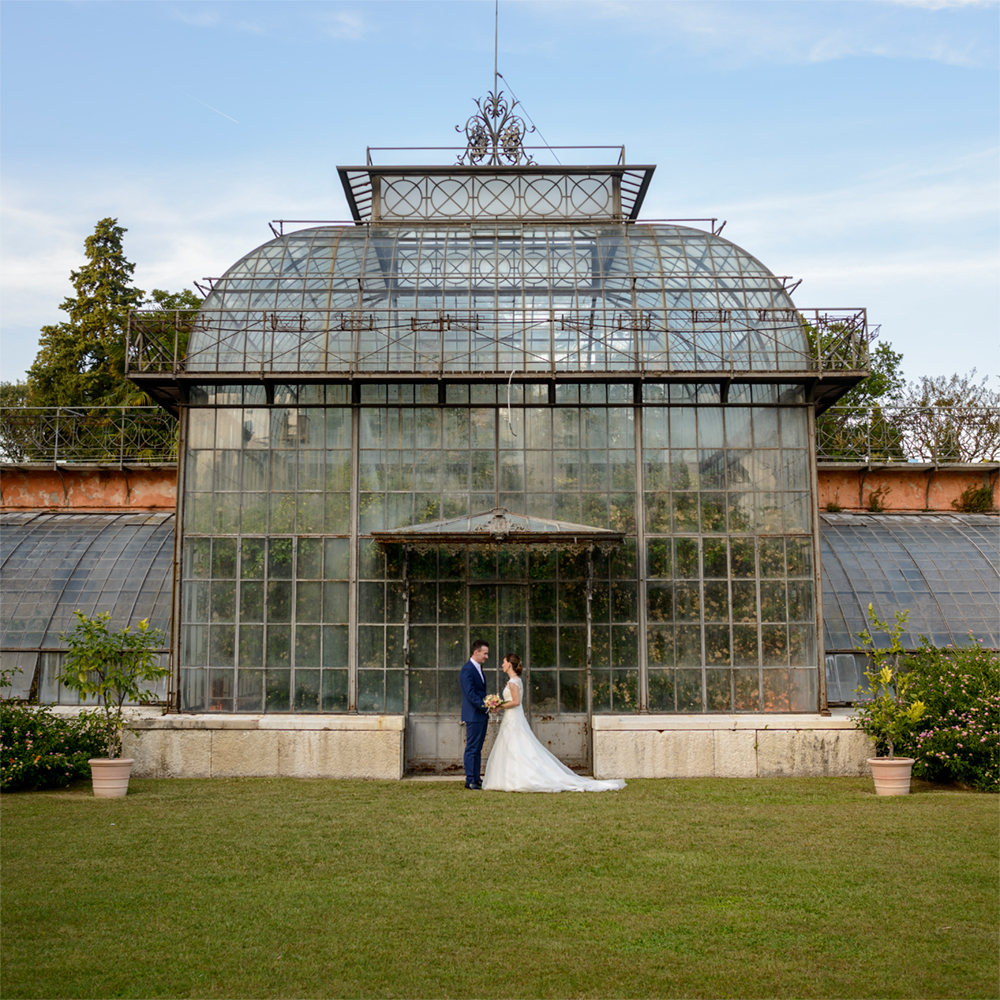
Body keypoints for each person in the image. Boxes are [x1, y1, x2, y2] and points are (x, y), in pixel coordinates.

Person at [482, 654, 626, 793]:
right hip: (513, 717)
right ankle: (510, 777)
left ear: (509, 664)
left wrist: (499, 706)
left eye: (504, 662)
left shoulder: (513, 682)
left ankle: (517, 778)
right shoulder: (515, 680)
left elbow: (516, 702)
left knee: (515, 745)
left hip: (513, 718)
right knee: (513, 745)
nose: (502, 664)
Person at [459, 639, 490, 790]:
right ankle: (470, 780)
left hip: (481, 715)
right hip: (473, 715)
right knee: (472, 748)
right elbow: (470, 694)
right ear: (476, 652)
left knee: (477, 749)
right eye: (485, 654)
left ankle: (477, 778)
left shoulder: (478, 668)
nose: (486, 657)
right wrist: (486, 706)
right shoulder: (467, 670)